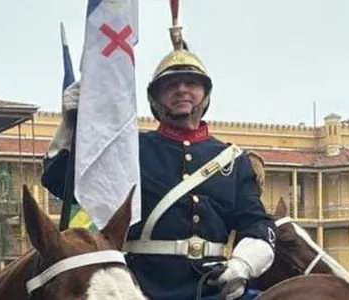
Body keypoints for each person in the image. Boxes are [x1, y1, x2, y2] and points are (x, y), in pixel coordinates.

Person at [41, 22, 277, 300]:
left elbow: (259, 226)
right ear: (155, 98)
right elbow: (63, 182)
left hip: (215, 286)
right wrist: (69, 126)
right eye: (170, 85)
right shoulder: (131, 149)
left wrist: (242, 264)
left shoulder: (233, 161)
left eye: (191, 83)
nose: (181, 89)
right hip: (141, 286)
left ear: (205, 94)